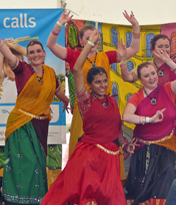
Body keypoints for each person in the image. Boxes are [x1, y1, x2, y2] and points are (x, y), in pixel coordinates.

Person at [0, 24, 70, 205]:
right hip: (21, 123)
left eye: (38, 51)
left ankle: (35, 200)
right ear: (27, 56)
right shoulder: (22, 69)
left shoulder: (51, 73)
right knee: (23, 160)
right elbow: (9, 54)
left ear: (44, 54)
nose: (35, 54)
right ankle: (12, 199)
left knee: (38, 162)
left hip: (40, 125)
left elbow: (57, 90)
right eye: (31, 52)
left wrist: (67, 101)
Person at [39, 30, 128, 205]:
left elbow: (116, 127)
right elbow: (78, 69)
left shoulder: (111, 101)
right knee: (88, 178)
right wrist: (90, 44)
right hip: (90, 152)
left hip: (110, 153)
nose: (103, 85)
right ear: (90, 84)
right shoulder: (86, 100)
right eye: (98, 82)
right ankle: (82, 202)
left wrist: (125, 144)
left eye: (104, 81)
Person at [47, 10, 140, 161]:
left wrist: (135, 26)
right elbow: (50, 44)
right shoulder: (73, 56)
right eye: (89, 38)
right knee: (83, 158)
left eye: (96, 38)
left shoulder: (106, 56)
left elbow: (134, 49)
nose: (93, 41)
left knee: (108, 155)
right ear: (81, 40)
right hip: (84, 112)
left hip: (105, 110)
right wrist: (59, 23)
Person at [121, 47, 176, 205]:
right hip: (144, 145)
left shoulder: (167, 89)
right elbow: (126, 116)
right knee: (143, 182)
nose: (151, 78)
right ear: (140, 80)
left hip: (167, 143)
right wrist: (148, 120)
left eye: (153, 73)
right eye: (146, 75)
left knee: (167, 172)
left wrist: (168, 61)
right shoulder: (137, 97)